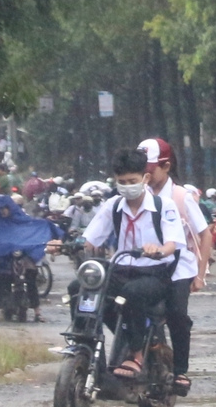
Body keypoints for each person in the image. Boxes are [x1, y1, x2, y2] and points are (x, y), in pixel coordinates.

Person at [80, 147, 190, 384]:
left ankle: (137, 353)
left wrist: (158, 249)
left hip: (155, 273)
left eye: (132, 180)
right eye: (122, 181)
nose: (127, 185)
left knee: (133, 294)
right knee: (81, 288)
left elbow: (173, 244)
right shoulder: (113, 206)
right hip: (120, 269)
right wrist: (68, 243)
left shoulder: (164, 206)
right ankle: (84, 346)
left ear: (145, 178)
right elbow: (90, 239)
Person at [138, 136, 208, 396]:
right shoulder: (136, 194)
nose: (143, 175)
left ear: (165, 166)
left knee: (177, 315)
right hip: (144, 266)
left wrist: (200, 275)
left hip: (179, 269)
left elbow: (205, 234)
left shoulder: (181, 197)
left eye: (148, 169)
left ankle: (180, 371)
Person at [0, 190, 63, 321]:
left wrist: (47, 225)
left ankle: (38, 313)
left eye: (6, 208)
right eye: (1, 209)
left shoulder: (21, 219)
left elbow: (32, 227)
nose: (3, 212)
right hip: (6, 261)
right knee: (2, 282)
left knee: (31, 279)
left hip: (24, 258)